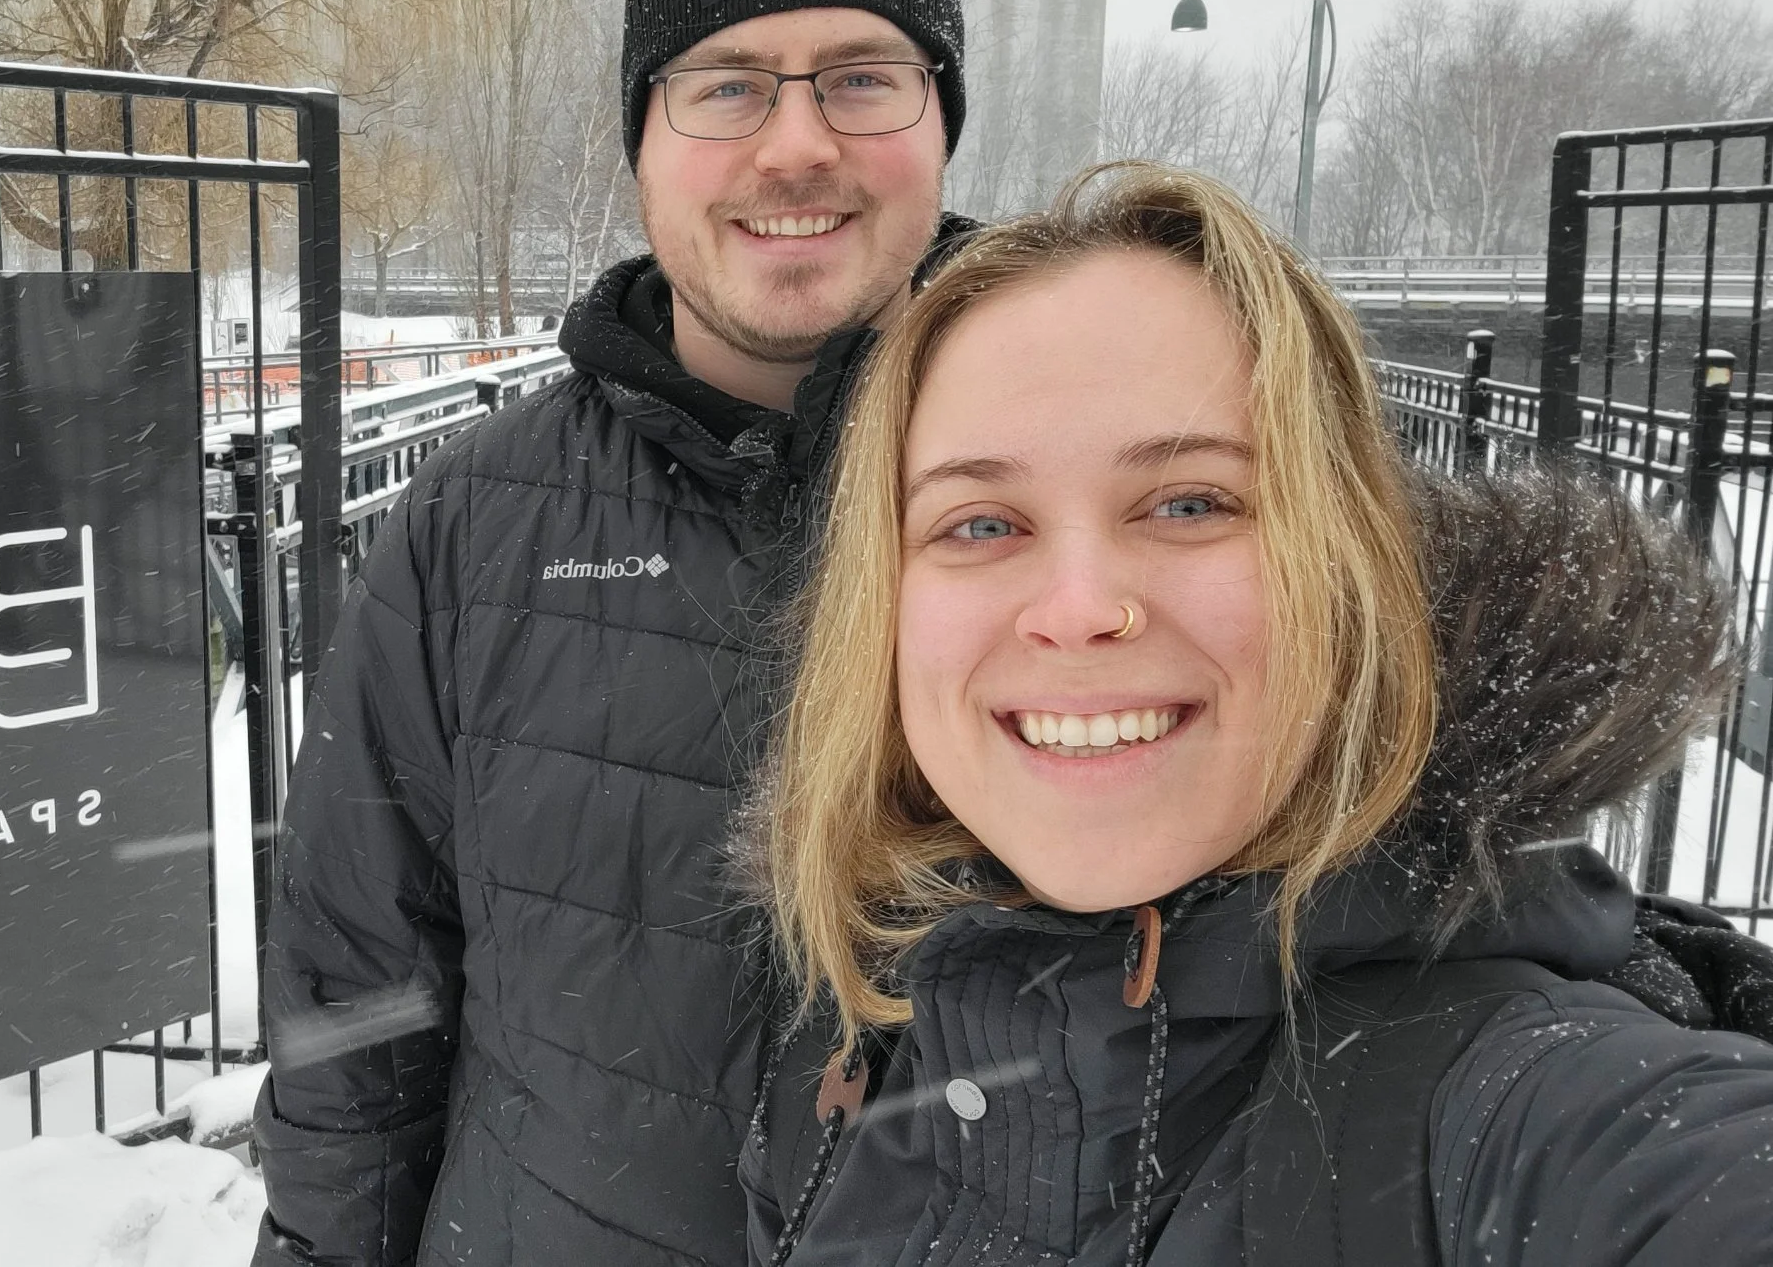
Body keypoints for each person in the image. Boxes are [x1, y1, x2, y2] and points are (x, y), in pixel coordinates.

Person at [744, 161, 1773, 1266]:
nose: (1081, 608)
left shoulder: (1526, 1109)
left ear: (1348, 566)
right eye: (979, 523)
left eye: (1191, 502)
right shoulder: (873, 1007)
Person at [251, 0, 976, 1264]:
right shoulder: (472, 521)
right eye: (726, 84)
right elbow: (359, 990)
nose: (795, 146)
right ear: (641, 140)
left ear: (942, 121)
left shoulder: (1097, 503)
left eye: (863, 77)